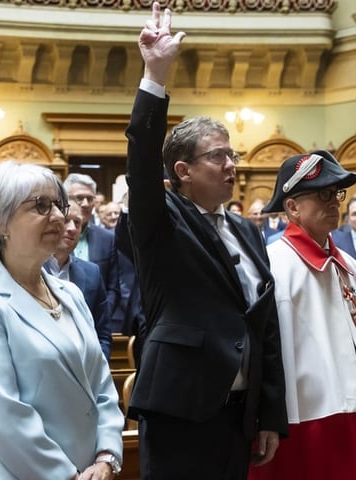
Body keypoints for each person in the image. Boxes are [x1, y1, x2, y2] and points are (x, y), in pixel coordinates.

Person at [125, 3, 288, 479]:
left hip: (239, 417)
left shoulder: (245, 229)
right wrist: (156, 74)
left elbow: (265, 327)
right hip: (181, 412)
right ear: (183, 171)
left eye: (232, 153)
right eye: (218, 156)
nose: (233, 164)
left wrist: (269, 416)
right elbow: (140, 159)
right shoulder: (161, 220)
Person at [0, 161, 124, 479]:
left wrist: (107, 455)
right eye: (41, 206)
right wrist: (67, 475)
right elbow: (3, 415)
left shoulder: (69, 294)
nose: (59, 217)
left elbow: (101, 385)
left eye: (58, 204)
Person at [249, 151, 356, 480]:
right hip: (303, 420)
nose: (334, 202)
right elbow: (261, 352)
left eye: (336, 193)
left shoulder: (349, 264)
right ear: (292, 207)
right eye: (322, 194)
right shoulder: (272, 264)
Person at [43, 201, 112, 359]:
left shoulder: (92, 272)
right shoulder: (31, 269)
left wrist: (96, 371)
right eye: (66, 220)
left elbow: (102, 334)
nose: (72, 228)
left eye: (78, 222)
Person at [64, 173, 120, 322]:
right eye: (79, 198)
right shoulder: (54, 235)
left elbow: (113, 287)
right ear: (64, 199)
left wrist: (102, 315)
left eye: (90, 198)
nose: (85, 203)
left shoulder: (107, 238)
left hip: (96, 321)